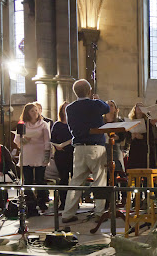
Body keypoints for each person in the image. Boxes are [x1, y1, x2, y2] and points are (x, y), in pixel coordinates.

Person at [62, 79, 110, 223]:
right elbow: (107, 108)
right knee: (99, 180)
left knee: (76, 182)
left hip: (78, 148)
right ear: (89, 91)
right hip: (95, 146)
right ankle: (99, 213)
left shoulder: (69, 108)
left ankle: (67, 214)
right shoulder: (95, 104)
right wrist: (97, 99)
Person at [14, 102, 51, 212]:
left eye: (36, 110)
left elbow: (47, 141)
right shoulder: (22, 124)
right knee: (28, 181)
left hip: (40, 155)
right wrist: (23, 139)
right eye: (32, 111)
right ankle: (31, 204)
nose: (35, 112)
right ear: (27, 113)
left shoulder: (44, 124)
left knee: (40, 180)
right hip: (27, 156)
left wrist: (46, 157)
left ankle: (42, 202)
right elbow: (16, 140)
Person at [51, 102, 74, 210]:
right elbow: (53, 139)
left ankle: (74, 203)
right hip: (61, 154)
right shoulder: (57, 125)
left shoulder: (74, 123)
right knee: (63, 179)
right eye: (64, 108)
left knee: (74, 179)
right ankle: (63, 202)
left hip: (73, 154)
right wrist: (56, 146)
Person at [126, 103, 157, 169]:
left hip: (144, 149)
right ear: (134, 109)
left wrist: (142, 137)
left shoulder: (148, 122)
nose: (139, 108)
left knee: (144, 168)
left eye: (141, 106)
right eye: (137, 106)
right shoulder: (130, 122)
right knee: (134, 170)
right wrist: (132, 136)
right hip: (135, 149)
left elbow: (153, 138)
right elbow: (127, 139)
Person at [103, 100, 126, 174]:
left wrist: (117, 137)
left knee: (115, 172)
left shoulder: (119, 121)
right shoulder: (101, 121)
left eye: (111, 105)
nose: (109, 107)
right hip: (103, 149)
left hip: (115, 149)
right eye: (107, 105)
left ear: (116, 109)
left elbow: (123, 136)